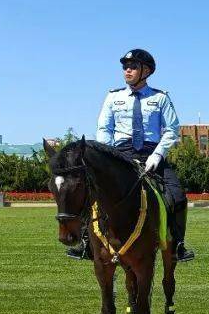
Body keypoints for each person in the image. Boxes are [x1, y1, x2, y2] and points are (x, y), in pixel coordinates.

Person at [66, 48, 195, 262]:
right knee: (92, 192)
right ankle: (87, 244)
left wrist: (157, 156)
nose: (127, 70)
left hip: (151, 153)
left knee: (177, 196)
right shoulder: (113, 97)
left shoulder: (160, 98)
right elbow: (104, 128)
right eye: (125, 67)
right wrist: (110, 156)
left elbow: (172, 129)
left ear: (146, 71)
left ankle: (176, 246)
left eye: (133, 67)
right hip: (120, 154)